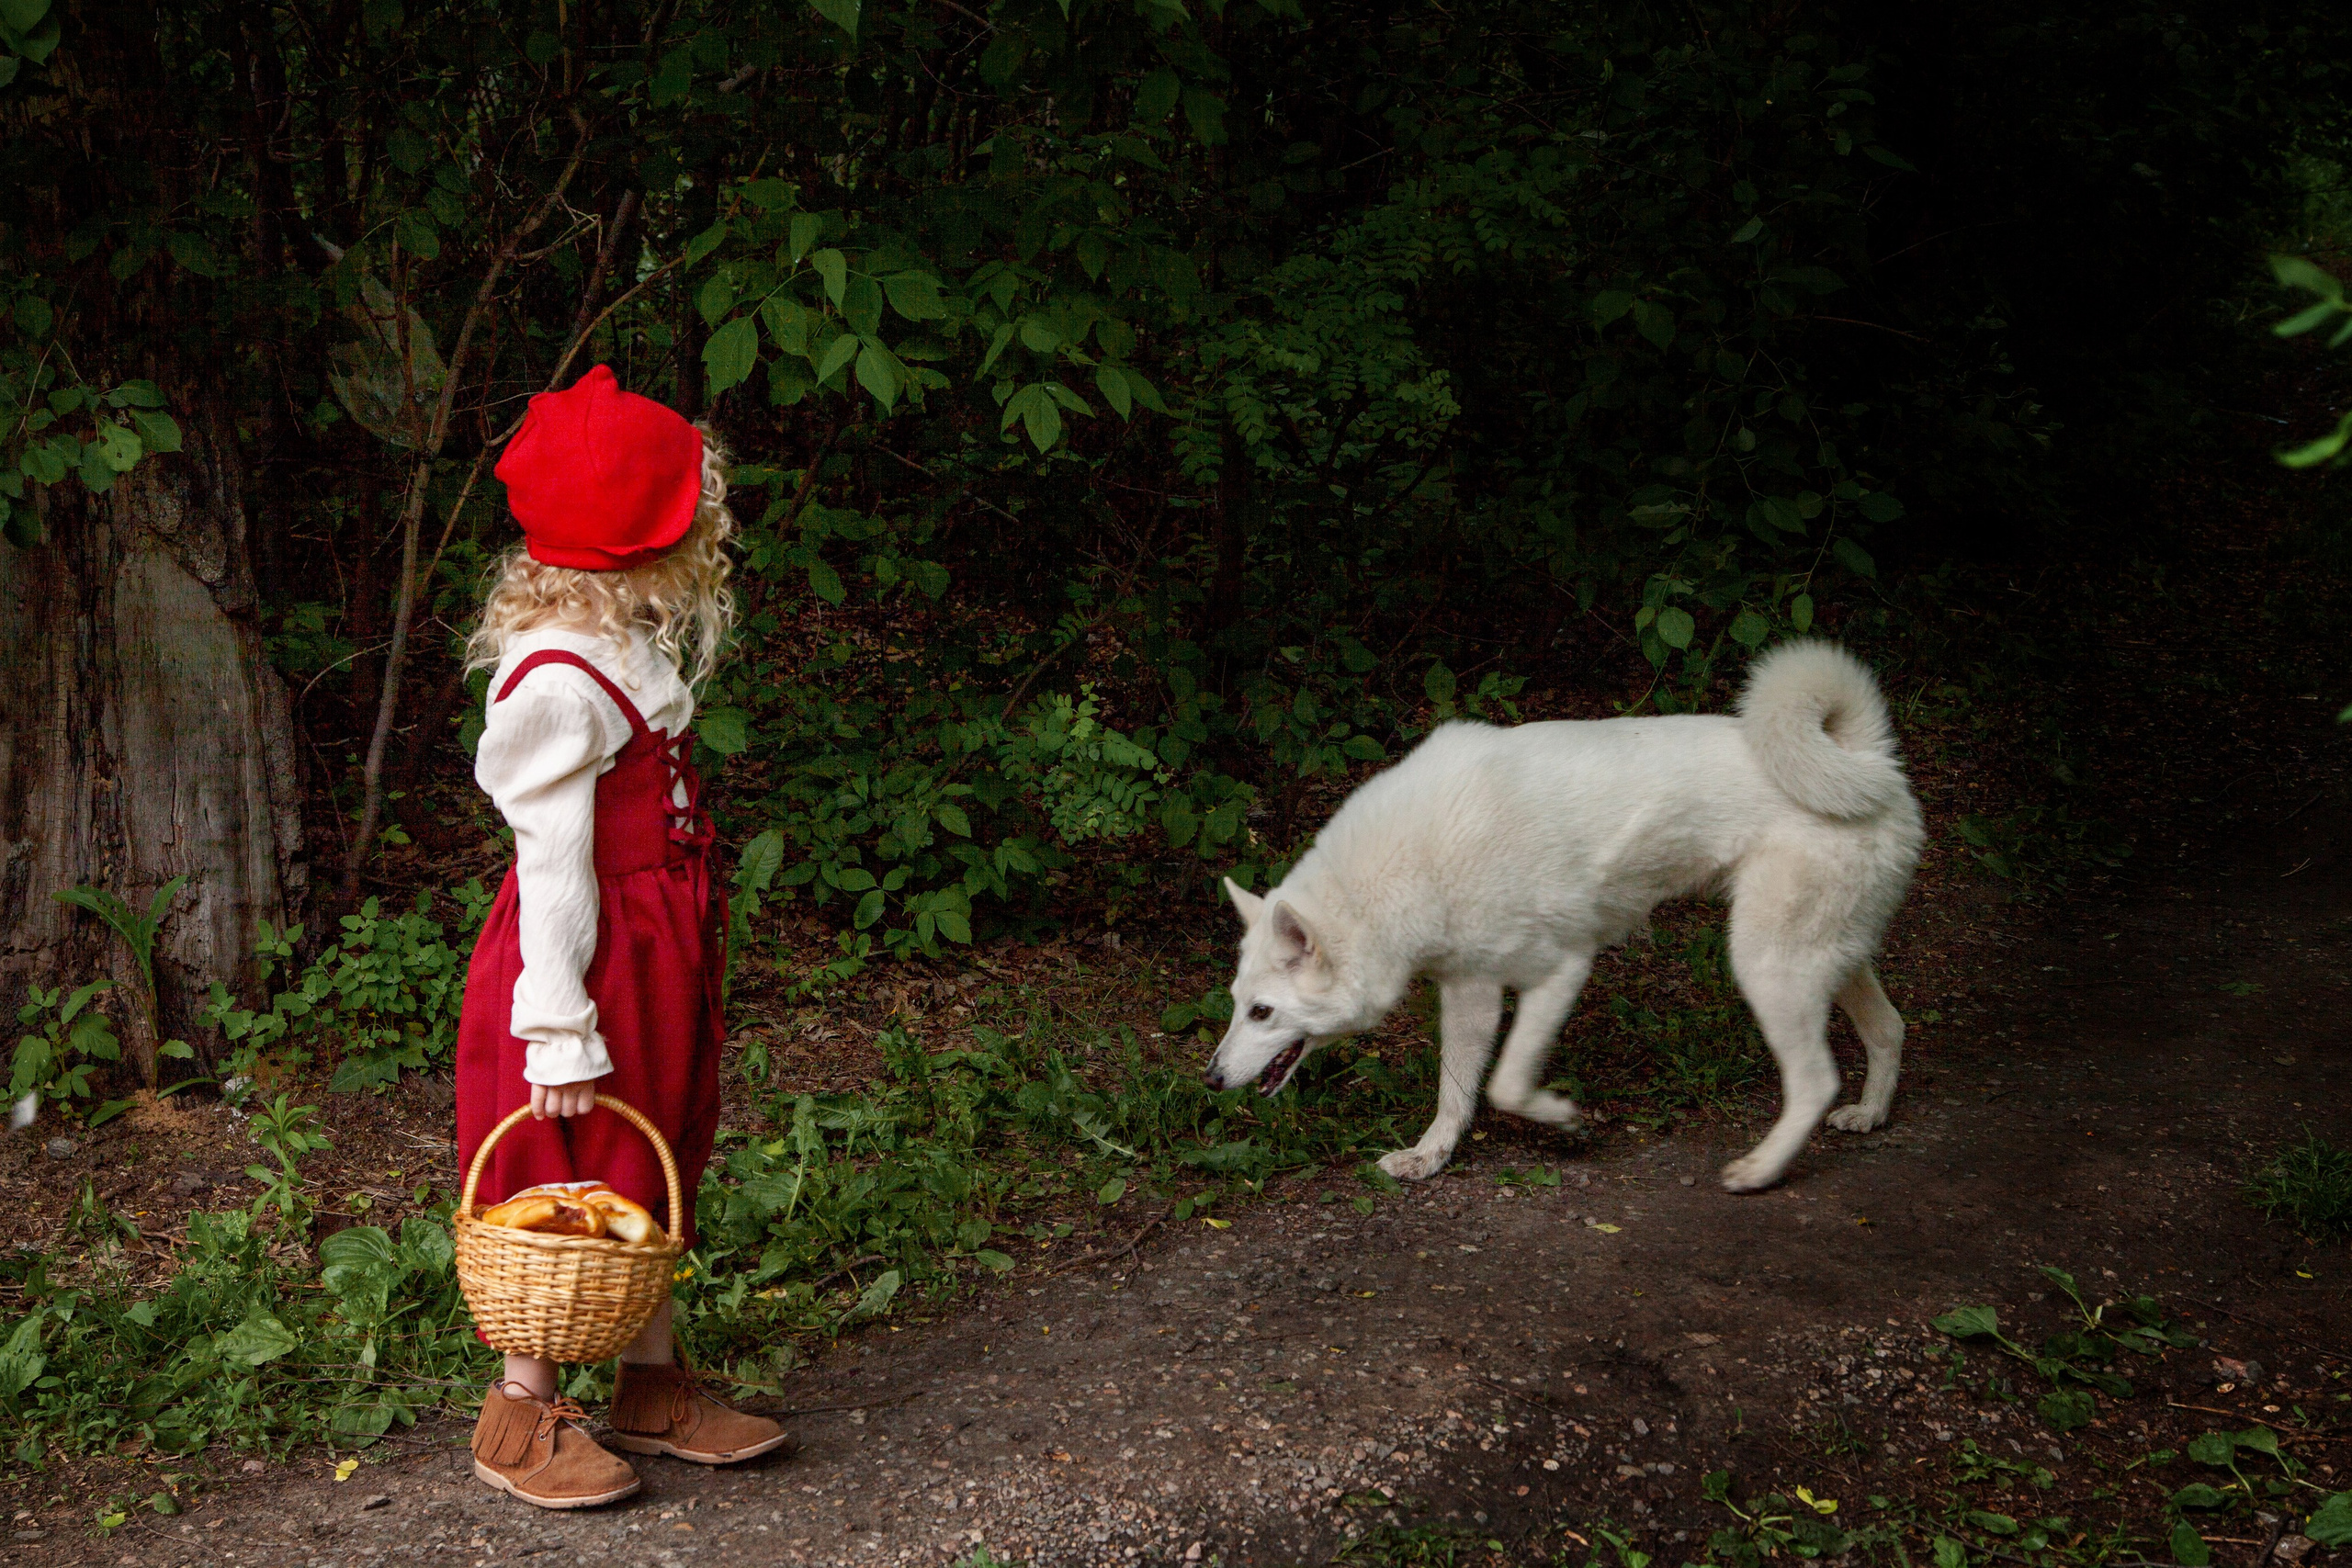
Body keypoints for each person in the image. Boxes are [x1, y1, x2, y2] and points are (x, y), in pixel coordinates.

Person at [453, 364, 790, 1508]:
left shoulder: (615, 642)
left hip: (652, 943)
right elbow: (552, 862)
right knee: (564, 1167)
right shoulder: (556, 679)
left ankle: (648, 1383)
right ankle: (520, 1409)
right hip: (584, 956)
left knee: (649, 1153)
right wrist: (557, 1027)